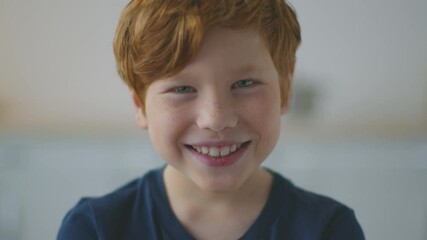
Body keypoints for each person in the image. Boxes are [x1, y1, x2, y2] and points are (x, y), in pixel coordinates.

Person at [57, 0, 365, 239]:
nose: (216, 119)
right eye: (182, 88)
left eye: (244, 84)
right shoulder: (94, 230)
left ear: (286, 88)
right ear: (140, 105)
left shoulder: (329, 230)